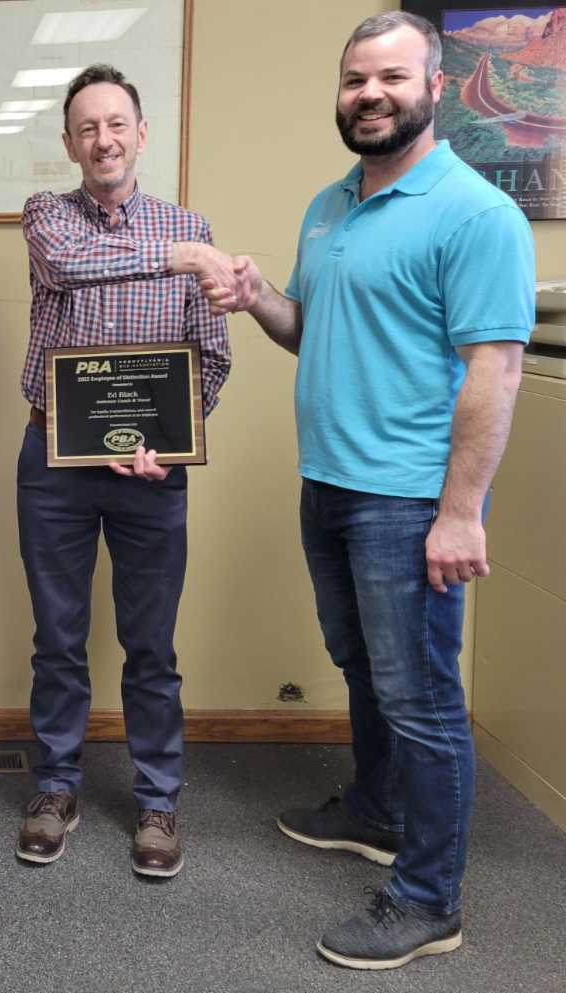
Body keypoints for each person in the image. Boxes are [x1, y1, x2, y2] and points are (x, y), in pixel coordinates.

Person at [205, 12, 534, 970]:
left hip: (409, 500)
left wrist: (460, 512)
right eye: (355, 80)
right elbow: (310, 328)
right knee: (361, 665)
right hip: (329, 482)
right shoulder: (330, 204)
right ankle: (378, 810)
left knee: (421, 697)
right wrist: (258, 297)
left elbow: (496, 370)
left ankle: (430, 899)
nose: (370, 94)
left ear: (436, 86)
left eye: (391, 77)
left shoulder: (475, 213)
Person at [15, 64, 232, 876]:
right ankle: (56, 787)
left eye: (116, 124)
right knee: (57, 638)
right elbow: (74, 265)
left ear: (141, 134)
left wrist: (168, 441)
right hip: (54, 461)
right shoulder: (47, 218)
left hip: (151, 473)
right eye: (87, 127)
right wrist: (181, 256)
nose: (103, 139)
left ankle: (157, 801)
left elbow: (212, 355)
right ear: (69, 143)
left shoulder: (190, 224)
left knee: (151, 645)